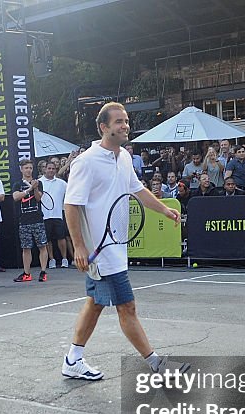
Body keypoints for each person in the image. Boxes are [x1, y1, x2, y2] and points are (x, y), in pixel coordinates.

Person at [61, 102, 183, 381]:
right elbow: (71, 205)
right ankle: (156, 364)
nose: (125, 125)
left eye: (126, 121)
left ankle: (73, 359)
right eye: (118, 122)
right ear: (103, 127)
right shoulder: (86, 162)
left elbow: (137, 189)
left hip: (116, 248)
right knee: (126, 306)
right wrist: (79, 246)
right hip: (99, 252)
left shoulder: (125, 157)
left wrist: (164, 209)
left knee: (95, 302)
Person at [12, 159, 50, 282]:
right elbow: (16, 197)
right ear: (21, 169)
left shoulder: (38, 183)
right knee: (26, 247)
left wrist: (35, 188)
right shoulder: (17, 184)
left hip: (37, 219)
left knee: (42, 245)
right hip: (24, 220)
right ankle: (27, 273)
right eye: (26, 168)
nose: (28, 170)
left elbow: (39, 199)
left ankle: (43, 271)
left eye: (30, 168)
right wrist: (28, 189)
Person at [39, 160, 71, 269]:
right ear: (45, 169)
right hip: (44, 216)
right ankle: (51, 259)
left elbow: (70, 194)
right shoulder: (39, 182)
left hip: (58, 215)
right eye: (49, 168)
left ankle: (64, 259)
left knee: (61, 238)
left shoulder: (62, 183)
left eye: (53, 169)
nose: (51, 170)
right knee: (47, 240)